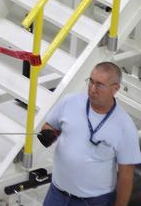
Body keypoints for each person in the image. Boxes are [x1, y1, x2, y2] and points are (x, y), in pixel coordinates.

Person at [38, 61, 140, 206]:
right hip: (57, 194)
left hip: (94, 202)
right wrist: (48, 133)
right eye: (91, 81)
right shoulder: (69, 102)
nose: (92, 89)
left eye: (99, 85)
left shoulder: (125, 126)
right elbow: (49, 125)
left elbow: (126, 176)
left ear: (115, 88)